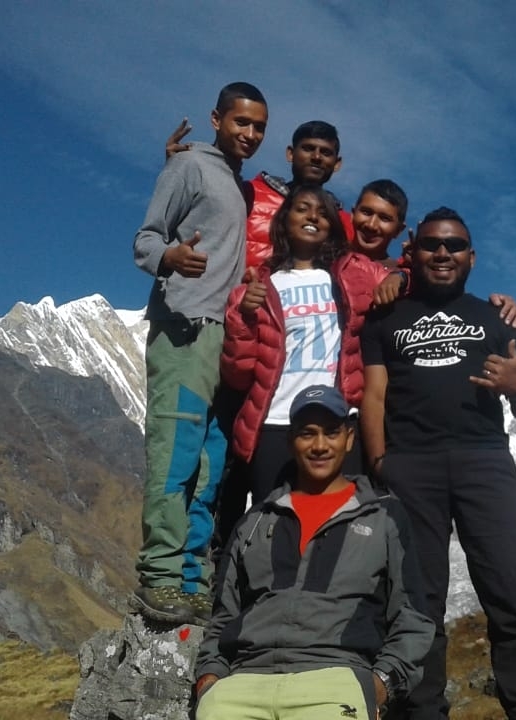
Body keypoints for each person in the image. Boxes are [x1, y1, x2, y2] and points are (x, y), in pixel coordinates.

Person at [360, 207, 516, 720]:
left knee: (509, 590)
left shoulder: (499, 317)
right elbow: (374, 393)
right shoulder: (386, 318)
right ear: (415, 251)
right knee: (419, 602)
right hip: (412, 467)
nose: (442, 253)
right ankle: (423, 711)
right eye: (431, 244)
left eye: (453, 245)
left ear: (471, 256)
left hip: (484, 462)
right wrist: (381, 462)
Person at [192, 384, 435, 720]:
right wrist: (210, 680)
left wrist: (379, 685)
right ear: (292, 440)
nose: (320, 445)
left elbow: (413, 617)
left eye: (331, 432)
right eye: (308, 433)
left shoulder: (384, 517)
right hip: (242, 685)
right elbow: (223, 616)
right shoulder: (255, 521)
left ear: (350, 438)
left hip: (335, 682)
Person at [130, 81, 268, 626]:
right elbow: (144, 238)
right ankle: (159, 576)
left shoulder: (241, 185)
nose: (250, 134)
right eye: (241, 123)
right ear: (217, 119)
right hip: (184, 328)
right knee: (175, 455)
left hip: (224, 337)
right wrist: (169, 256)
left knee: (209, 462)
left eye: (258, 126)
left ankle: (191, 580)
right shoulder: (188, 168)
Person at [217, 183, 406, 542]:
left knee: (340, 533)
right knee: (273, 531)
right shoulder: (255, 288)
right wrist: (243, 316)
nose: (312, 217)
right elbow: (238, 373)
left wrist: (400, 275)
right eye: (302, 209)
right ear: (283, 220)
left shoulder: (354, 272)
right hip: (275, 422)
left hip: (339, 422)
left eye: (322, 213)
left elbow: (408, 285)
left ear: (334, 226)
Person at [167, 118, 352, 270]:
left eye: (326, 152)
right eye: (308, 148)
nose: (317, 157)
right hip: (239, 307)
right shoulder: (250, 193)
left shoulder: (345, 222)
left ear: (337, 163)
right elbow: (202, 208)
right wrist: (178, 169)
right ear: (290, 153)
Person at [351, 178, 409, 268]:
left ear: (398, 230)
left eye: (384, 219)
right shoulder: (327, 256)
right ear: (353, 214)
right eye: (366, 212)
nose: (371, 225)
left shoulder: (400, 275)